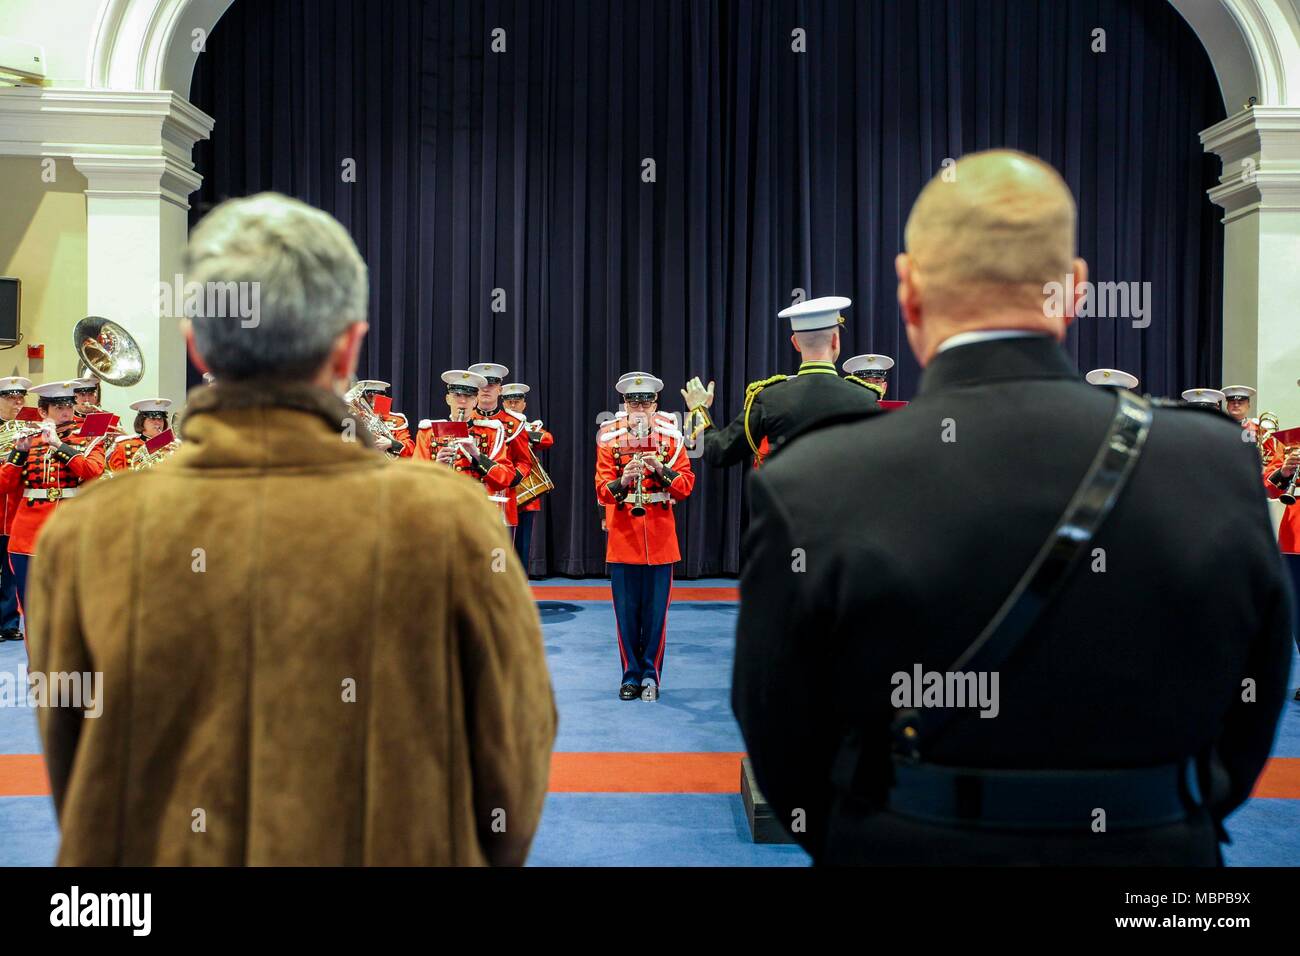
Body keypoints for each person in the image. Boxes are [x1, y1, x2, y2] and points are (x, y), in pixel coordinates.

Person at [732, 149, 1294, 866]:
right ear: (1076, 290)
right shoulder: (1215, 465)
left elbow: (776, 726)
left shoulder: (813, 480)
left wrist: (871, 832)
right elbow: (1255, 698)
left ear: (908, 291)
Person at [27, 192, 555, 865]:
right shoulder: (451, 521)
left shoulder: (84, 534)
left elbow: (76, 771)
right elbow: (511, 771)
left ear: (195, 343)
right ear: (348, 348)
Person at [681, 297, 881, 469]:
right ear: (835, 340)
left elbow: (719, 453)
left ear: (794, 343)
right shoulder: (865, 398)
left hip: (787, 512)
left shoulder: (769, 398)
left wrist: (697, 410)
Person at [596, 372, 694, 701]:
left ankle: (651, 674)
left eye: (646, 401)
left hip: (661, 537)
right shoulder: (609, 438)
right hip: (624, 537)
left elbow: (685, 487)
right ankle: (630, 675)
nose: (639, 406)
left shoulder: (671, 438)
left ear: (655, 404)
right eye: (633, 401)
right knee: (626, 614)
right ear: (624, 404)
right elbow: (601, 490)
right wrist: (624, 480)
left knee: (655, 616)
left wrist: (660, 469)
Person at [0, 380, 109, 619]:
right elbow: (4, 485)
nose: (66, 412)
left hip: (71, 529)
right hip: (28, 534)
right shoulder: (28, 441)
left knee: (69, 606)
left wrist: (59, 445)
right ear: (42, 411)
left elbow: (92, 470)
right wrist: (18, 453)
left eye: (68, 406)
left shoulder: (87, 440)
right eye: (58, 407)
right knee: (31, 607)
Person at [413, 370, 515, 521]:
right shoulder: (428, 432)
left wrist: (477, 456)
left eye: (468, 396)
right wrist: (436, 466)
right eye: (457, 396)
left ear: (475, 401)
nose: (462, 402)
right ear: (448, 399)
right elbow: (413, 480)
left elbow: (505, 478)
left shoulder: (492, 432)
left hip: (476, 513)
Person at [468, 363, 532, 533]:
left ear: (500, 390)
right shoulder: (464, 420)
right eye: (482, 385)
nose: (486, 389)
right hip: (467, 498)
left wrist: (510, 479)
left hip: (501, 497)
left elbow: (525, 462)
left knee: (500, 558)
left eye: (492, 384)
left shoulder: (514, 424)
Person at [502, 382, 553, 574]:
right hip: (501, 489)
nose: (513, 405)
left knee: (522, 546)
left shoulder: (531, 426)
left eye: (517, 402)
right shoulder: (496, 424)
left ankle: (520, 587)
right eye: (509, 402)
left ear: (524, 404)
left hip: (525, 494)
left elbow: (547, 439)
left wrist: (520, 432)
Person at [0, 376, 30, 641]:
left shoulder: (27, 432)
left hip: (16, 513)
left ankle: (9, 622)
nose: (17, 403)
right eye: (11, 398)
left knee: (10, 573)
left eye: (21, 398)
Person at [107, 398, 175, 473]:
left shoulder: (171, 446)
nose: (157, 423)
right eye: (152, 419)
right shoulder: (124, 446)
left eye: (161, 419)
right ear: (141, 421)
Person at [353, 379, 414, 457]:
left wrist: (391, 443)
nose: (372, 400)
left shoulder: (396, 420)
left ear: (383, 397)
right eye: (369, 396)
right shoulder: (355, 419)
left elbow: (410, 449)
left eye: (376, 396)